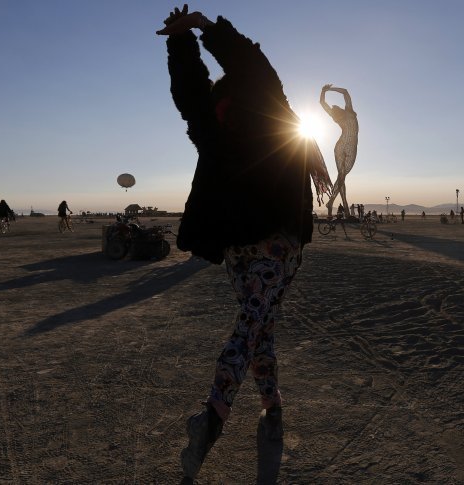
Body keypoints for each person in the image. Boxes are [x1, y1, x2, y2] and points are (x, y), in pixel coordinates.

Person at [157, 6, 332, 484]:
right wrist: (204, 29)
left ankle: (272, 407)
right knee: (252, 325)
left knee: (259, 324)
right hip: (277, 237)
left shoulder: (210, 131)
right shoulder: (268, 107)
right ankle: (212, 416)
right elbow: (252, 62)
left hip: (236, 245)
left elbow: (189, 89)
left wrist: (179, 42)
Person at [320, 84, 358, 217]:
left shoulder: (339, 116)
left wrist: (324, 91)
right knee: (341, 177)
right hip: (348, 145)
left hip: (341, 145)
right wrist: (329, 90)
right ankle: (343, 208)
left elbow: (322, 103)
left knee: (341, 177)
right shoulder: (349, 111)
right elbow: (345, 92)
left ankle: (334, 205)